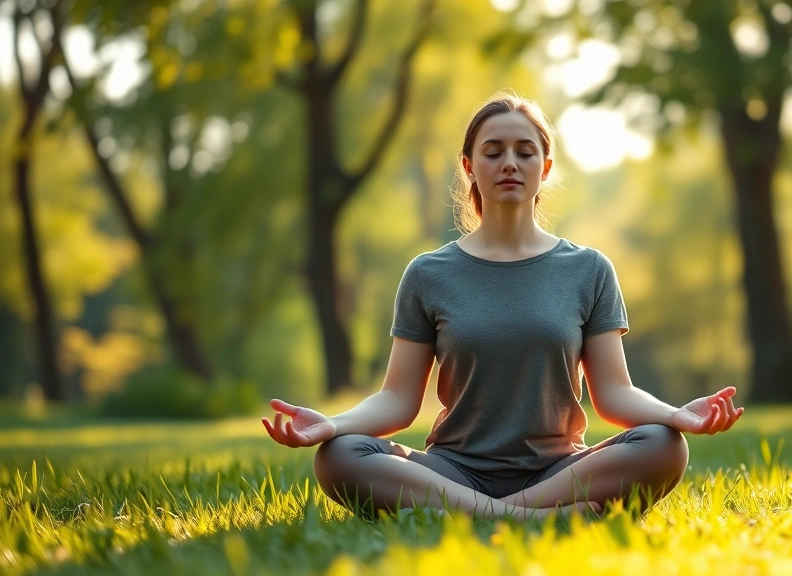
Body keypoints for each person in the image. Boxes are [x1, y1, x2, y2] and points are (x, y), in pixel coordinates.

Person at [262, 92, 744, 521]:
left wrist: (676, 416)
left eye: (524, 151)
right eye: (492, 152)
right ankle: (526, 517)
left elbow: (615, 395)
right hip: (453, 470)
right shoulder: (428, 274)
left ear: (546, 167)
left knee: (663, 446)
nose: (509, 163)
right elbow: (397, 401)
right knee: (339, 456)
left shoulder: (589, 269)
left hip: (560, 469)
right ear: (470, 166)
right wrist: (333, 425)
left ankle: (483, 515)